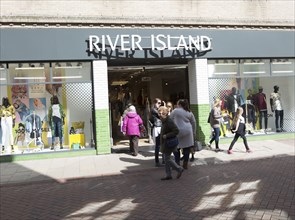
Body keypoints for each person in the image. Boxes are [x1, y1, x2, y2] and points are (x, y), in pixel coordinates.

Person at [158, 106, 184, 180]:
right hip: (165, 143)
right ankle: (168, 174)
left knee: (167, 159)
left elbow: (176, 130)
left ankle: (178, 169)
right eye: (158, 113)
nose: (159, 115)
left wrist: (167, 135)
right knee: (166, 159)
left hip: (169, 143)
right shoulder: (164, 121)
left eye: (161, 113)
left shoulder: (169, 121)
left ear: (165, 113)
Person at [170, 99, 196, 169]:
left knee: (176, 148)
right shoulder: (189, 112)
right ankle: (185, 164)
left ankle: (177, 163)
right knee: (186, 148)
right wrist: (194, 132)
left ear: (180, 104)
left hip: (177, 131)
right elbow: (193, 122)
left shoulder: (175, 111)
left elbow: (170, 119)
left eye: (178, 104)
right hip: (188, 131)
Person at [150, 98, 164, 167]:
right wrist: (163, 107)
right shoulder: (153, 110)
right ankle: (157, 161)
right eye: (158, 103)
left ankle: (163, 160)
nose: (159, 104)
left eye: (160, 103)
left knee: (162, 144)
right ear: (155, 103)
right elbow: (161, 115)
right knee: (158, 145)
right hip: (157, 127)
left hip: (160, 127)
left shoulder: (155, 109)